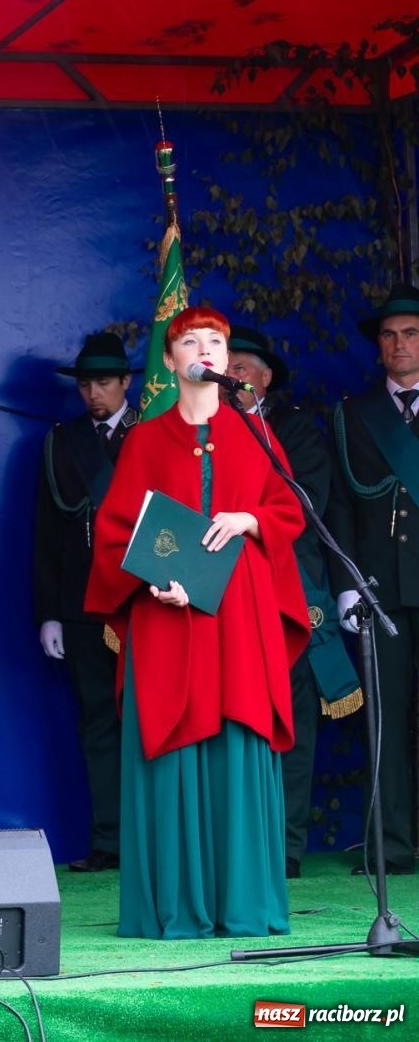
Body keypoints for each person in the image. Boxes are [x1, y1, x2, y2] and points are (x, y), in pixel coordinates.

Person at [86, 305, 308, 939]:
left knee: (238, 743)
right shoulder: (145, 440)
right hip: (168, 621)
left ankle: (243, 903)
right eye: (190, 341)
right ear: (169, 358)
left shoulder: (255, 434)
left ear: (226, 356)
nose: (204, 351)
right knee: (174, 743)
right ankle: (176, 908)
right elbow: (115, 537)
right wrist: (155, 580)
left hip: (240, 618)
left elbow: (288, 509)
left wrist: (250, 520)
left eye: (214, 341)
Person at [228, 325, 360, 880]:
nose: (230, 376)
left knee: (294, 726)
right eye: (225, 366)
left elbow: (302, 509)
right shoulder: (201, 433)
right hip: (225, 598)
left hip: (288, 595)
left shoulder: (296, 430)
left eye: (240, 368)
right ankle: (231, 847)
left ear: (264, 379)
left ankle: (286, 848)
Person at [33, 331, 138, 873]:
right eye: (86, 384)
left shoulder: (155, 432)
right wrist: (48, 610)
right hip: (81, 604)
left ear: (126, 382)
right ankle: (110, 839)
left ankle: (155, 839)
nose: (94, 393)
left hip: (146, 601)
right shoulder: (61, 440)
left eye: (104, 382)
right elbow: (49, 531)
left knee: (151, 719)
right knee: (97, 719)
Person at [327, 282, 419, 877]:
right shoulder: (352, 414)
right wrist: (345, 583)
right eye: (388, 335)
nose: (398, 345)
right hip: (380, 590)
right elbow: (337, 507)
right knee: (385, 719)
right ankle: (394, 844)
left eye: (410, 334)